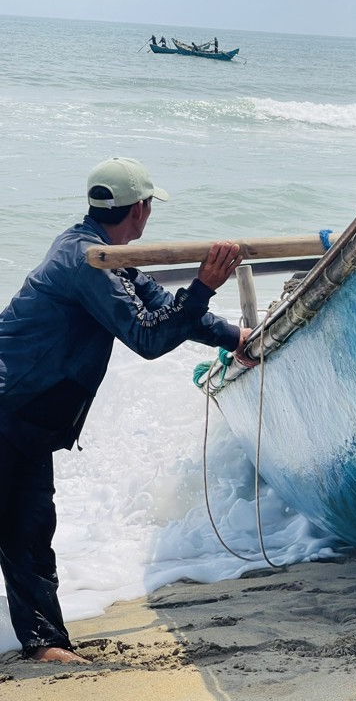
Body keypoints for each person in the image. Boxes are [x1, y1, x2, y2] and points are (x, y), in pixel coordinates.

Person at [0, 157, 258, 662]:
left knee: (28, 531)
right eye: (148, 207)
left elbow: (162, 309)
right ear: (139, 210)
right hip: (7, 409)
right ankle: (43, 644)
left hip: (27, 422)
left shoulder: (100, 254)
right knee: (21, 527)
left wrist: (235, 338)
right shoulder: (86, 262)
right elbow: (148, 335)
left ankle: (44, 645)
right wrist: (204, 285)